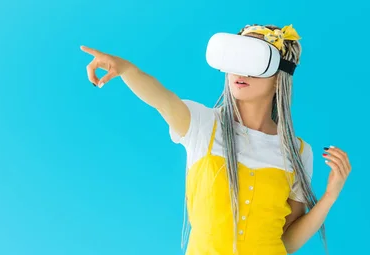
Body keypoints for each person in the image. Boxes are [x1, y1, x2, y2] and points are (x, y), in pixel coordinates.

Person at [80, 24, 352, 255]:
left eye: (254, 61)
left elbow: (287, 241)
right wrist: (126, 69)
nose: (239, 71)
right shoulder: (203, 125)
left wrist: (329, 196)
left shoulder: (298, 152)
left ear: (280, 75)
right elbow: (161, 100)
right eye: (235, 59)